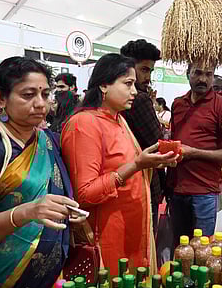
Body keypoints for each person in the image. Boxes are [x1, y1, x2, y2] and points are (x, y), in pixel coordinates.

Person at [0, 56, 83, 288]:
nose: (41, 104)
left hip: (45, 274)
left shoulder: (46, 140)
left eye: (45, 94)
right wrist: (28, 211)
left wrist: (64, 210)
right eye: (28, 95)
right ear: (1, 98)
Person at [61, 53, 178, 275]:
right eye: (128, 84)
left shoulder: (118, 119)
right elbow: (84, 194)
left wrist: (154, 161)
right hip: (106, 236)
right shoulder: (84, 124)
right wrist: (136, 165)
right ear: (104, 85)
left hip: (131, 230)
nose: (134, 91)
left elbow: (129, 165)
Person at [168, 63, 222, 242]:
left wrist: (193, 153)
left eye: (209, 74)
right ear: (188, 74)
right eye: (197, 73)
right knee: (179, 249)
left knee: (202, 252)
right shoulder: (178, 104)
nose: (203, 79)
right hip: (177, 190)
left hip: (205, 192)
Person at [120, 39, 164, 233]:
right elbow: (157, 141)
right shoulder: (138, 98)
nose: (148, 77)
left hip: (125, 180)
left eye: (150, 71)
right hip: (142, 180)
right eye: (144, 70)